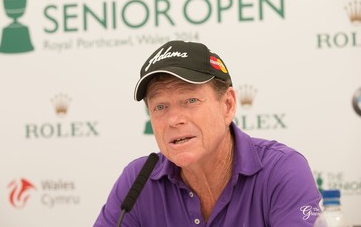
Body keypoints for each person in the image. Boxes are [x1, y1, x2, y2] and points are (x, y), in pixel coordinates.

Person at [94, 40, 321, 226]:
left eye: (191, 100)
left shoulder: (281, 170)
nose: (174, 120)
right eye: (160, 106)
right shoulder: (138, 181)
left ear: (228, 105)